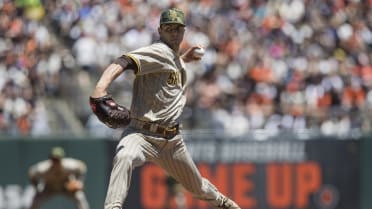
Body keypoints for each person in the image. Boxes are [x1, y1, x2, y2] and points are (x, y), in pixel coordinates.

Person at [90, 8, 241, 209]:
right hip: (141, 134)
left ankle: (225, 204)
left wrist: (184, 58)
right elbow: (124, 61)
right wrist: (101, 87)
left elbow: (168, 65)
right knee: (124, 156)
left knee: (198, 188)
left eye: (178, 29)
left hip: (172, 142)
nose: (174, 32)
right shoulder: (158, 51)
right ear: (160, 30)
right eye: (169, 28)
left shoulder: (173, 57)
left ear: (183, 32)